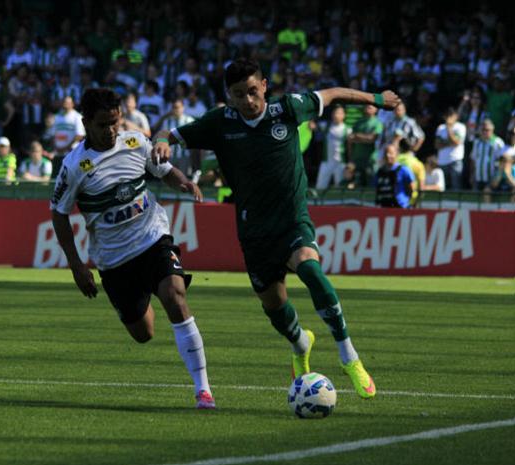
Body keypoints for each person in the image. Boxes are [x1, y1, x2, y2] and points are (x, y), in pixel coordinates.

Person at [152, 58, 402, 399]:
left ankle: (349, 356)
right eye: (239, 94)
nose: (248, 100)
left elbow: (332, 94)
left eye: (253, 91)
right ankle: (301, 345)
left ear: (265, 86)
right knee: (276, 309)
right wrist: (163, 141)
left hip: (292, 220)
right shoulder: (219, 123)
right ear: (230, 95)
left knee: (311, 270)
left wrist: (376, 99)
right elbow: (171, 133)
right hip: (254, 232)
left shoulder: (288, 108)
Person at [50, 88, 215, 409]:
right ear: (85, 123)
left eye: (114, 122)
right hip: (114, 260)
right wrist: (76, 265)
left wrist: (183, 182)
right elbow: (58, 215)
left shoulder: (135, 143)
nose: (110, 130)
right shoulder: (74, 167)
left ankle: (203, 390)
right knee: (144, 333)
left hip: (154, 238)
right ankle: (139, 300)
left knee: (175, 296)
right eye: (102, 125)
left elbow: (165, 171)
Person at [315, 104, 351, 190]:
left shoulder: (348, 130)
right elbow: (313, 125)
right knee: (319, 187)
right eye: (334, 113)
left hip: (340, 163)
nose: (336, 115)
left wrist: (350, 162)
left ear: (344, 115)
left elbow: (350, 148)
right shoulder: (325, 126)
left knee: (340, 188)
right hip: (326, 162)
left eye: (339, 113)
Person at [348, 104, 383, 187]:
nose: (369, 107)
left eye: (372, 106)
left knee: (371, 183)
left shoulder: (377, 123)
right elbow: (350, 139)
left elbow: (372, 139)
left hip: (371, 159)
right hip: (357, 158)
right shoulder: (359, 122)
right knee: (357, 184)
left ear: (376, 110)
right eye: (367, 105)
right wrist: (350, 158)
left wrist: (358, 136)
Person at [50, 96, 85, 177]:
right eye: (63, 102)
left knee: (75, 175)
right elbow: (52, 134)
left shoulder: (77, 117)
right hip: (58, 153)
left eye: (67, 103)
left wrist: (65, 147)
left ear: (72, 104)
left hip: (72, 152)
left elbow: (80, 135)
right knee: (57, 176)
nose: (65, 105)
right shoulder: (57, 117)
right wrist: (56, 147)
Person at [435, 107, 467, 190]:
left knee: (456, 186)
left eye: (451, 115)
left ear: (455, 116)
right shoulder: (440, 128)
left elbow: (456, 142)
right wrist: (450, 143)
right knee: (443, 187)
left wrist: (449, 128)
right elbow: (437, 145)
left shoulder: (461, 127)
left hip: (455, 160)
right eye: (447, 116)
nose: (448, 118)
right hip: (442, 161)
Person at [375, 144, 415, 208]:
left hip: (401, 207)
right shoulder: (380, 171)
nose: (388, 156)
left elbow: (412, 189)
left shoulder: (404, 170)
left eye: (391, 153)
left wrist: (406, 201)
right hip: (383, 207)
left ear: (396, 154)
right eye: (386, 153)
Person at [469, 119, 505, 191]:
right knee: (476, 199)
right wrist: (472, 174)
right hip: (478, 177)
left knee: (487, 198)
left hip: (491, 177)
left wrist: (497, 177)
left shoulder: (498, 142)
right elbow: (473, 159)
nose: (485, 132)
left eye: (487, 130)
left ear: (492, 129)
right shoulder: (477, 142)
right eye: (483, 130)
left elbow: (503, 161)